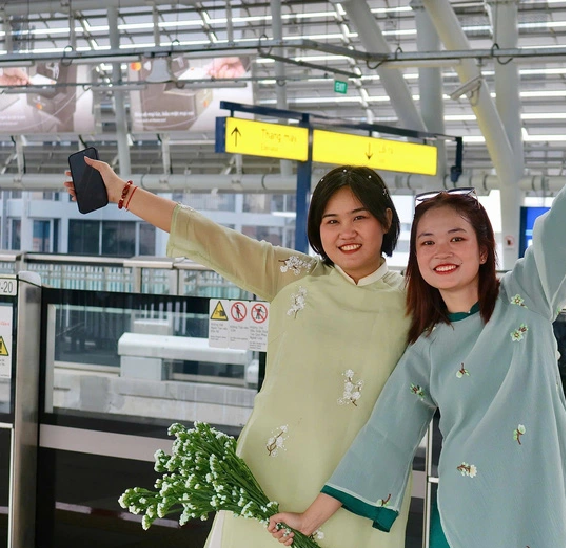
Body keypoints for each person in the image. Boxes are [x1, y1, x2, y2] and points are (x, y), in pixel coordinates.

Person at [266, 53, 566, 548]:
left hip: (542, 504)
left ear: (485, 250)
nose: (441, 251)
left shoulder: (527, 296)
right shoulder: (425, 349)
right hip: (467, 514)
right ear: (414, 257)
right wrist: (309, 520)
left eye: (457, 239)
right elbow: (385, 438)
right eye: (426, 242)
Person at [64, 163, 414, 548]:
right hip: (266, 479)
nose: (345, 232)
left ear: (386, 219)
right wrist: (121, 192)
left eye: (359, 217)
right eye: (331, 221)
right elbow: (212, 238)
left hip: (358, 492)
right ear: (317, 230)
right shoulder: (294, 276)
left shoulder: (417, 302)